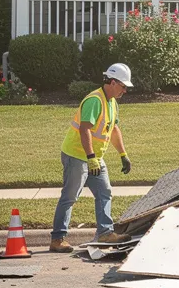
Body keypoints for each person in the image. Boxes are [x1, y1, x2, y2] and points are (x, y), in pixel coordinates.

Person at [52, 63, 136, 252]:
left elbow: (113, 129)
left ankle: (105, 233)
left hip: (94, 157)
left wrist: (123, 155)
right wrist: (90, 157)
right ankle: (57, 239)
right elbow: (85, 129)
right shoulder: (94, 100)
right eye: (123, 86)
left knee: (104, 192)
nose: (125, 91)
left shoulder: (112, 102)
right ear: (113, 82)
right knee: (70, 196)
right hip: (76, 155)